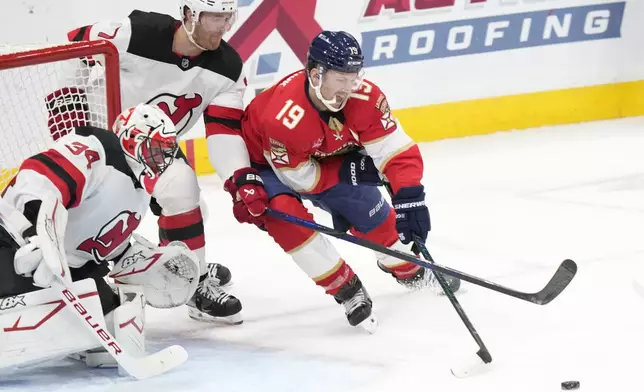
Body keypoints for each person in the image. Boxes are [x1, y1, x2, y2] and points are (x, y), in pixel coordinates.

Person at [230, 31, 461, 331]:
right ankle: (347, 289)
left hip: (325, 158)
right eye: (341, 78)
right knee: (287, 219)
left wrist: (410, 197)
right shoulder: (284, 117)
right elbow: (299, 179)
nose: (349, 88)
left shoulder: (366, 96)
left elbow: (395, 151)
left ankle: (411, 270)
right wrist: (350, 171)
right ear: (316, 75)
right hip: (268, 165)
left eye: (354, 77)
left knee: (377, 219)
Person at [61, 0, 269, 322]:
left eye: (228, 19)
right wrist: (68, 112)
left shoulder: (229, 68)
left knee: (185, 192)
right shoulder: (137, 32)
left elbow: (223, 132)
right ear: (189, 14)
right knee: (90, 216)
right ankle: (85, 270)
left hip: (154, 146)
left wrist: (240, 177)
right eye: (214, 18)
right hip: (99, 135)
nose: (222, 29)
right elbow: (75, 43)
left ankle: (191, 279)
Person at [0, 104, 203, 368]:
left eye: (165, 152)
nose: (161, 161)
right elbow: (37, 178)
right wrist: (36, 234)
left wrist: (137, 259)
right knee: (15, 297)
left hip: (68, 266)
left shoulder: (142, 190)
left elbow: (102, 241)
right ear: (132, 142)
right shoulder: (97, 149)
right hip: (14, 237)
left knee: (114, 323)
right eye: (154, 151)